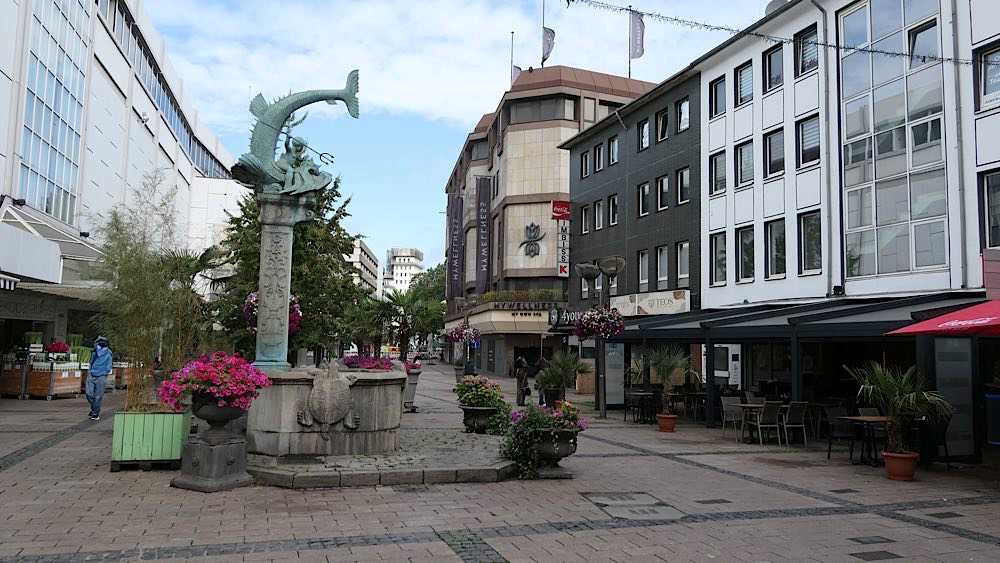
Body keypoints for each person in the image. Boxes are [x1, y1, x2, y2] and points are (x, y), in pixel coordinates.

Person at [86, 336, 112, 421]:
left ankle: (95, 413)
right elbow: (91, 362)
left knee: (98, 397)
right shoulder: (94, 352)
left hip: (101, 376)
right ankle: (94, 409)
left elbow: (109, 366)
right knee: (89, 394)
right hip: (92, 374)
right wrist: (89, 371)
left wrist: (105, 373)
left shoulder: (108, 353)